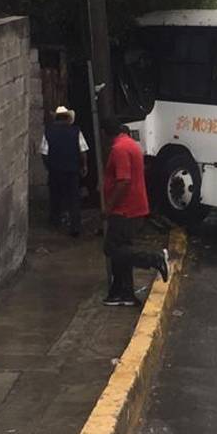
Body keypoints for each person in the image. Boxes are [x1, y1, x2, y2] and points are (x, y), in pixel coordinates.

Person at [101, 116, 169, 306]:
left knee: (112, 249)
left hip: (124, 210)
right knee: (122, 250)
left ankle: (154, 259)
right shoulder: (130, 144)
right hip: (133, 207)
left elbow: (123, 181)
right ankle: (123, 293)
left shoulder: (119, 149)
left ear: (105, 133)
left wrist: (109, 207)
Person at [41, 106, 89, 237]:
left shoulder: (49, 132)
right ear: (68, 118)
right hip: (72, 170)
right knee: (73, 197)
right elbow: (83, 150)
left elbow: (44, 153)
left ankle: (55, 221)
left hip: (55, 169)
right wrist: (84, 166)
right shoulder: (76, 131)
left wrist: (49, 166)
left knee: (55, 196)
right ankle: (75, 227)